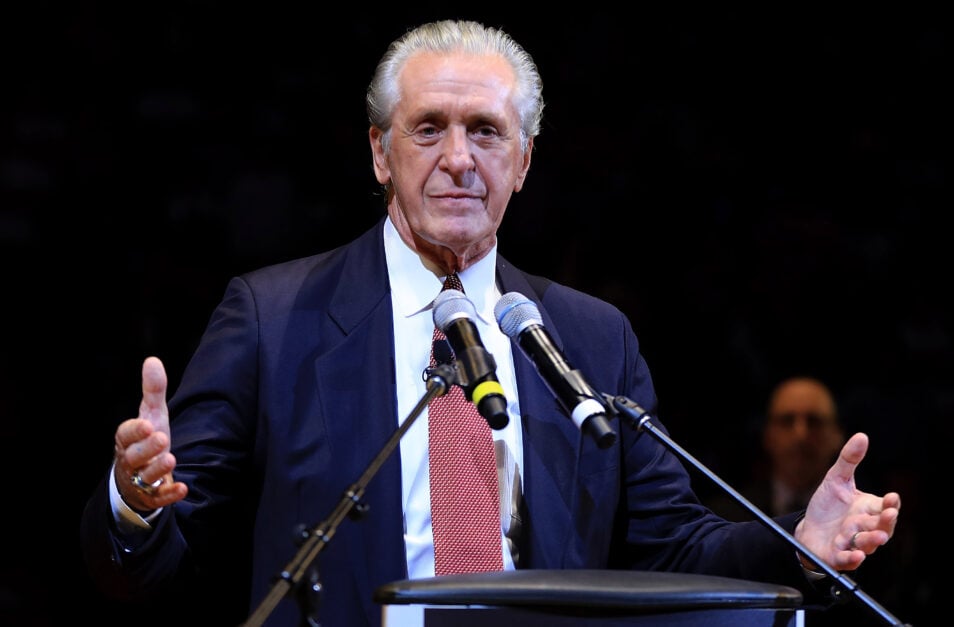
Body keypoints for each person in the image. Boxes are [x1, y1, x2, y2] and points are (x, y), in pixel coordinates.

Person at [80, 19, 902, 627]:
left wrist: (794, 541)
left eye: (485, 131)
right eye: (428, 128)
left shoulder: (589, 335)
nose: (459, 157)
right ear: (379, 153)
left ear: (525, 159)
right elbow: (154, 557)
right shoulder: (273, 316)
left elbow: (674, 545)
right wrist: (135, 500)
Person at [707, 376, 847, 521]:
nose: (800, 434)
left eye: (814, 421)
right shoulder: (726, 518)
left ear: (837, 436)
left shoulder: (863, 516)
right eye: (787, 421)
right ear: (768, 435)